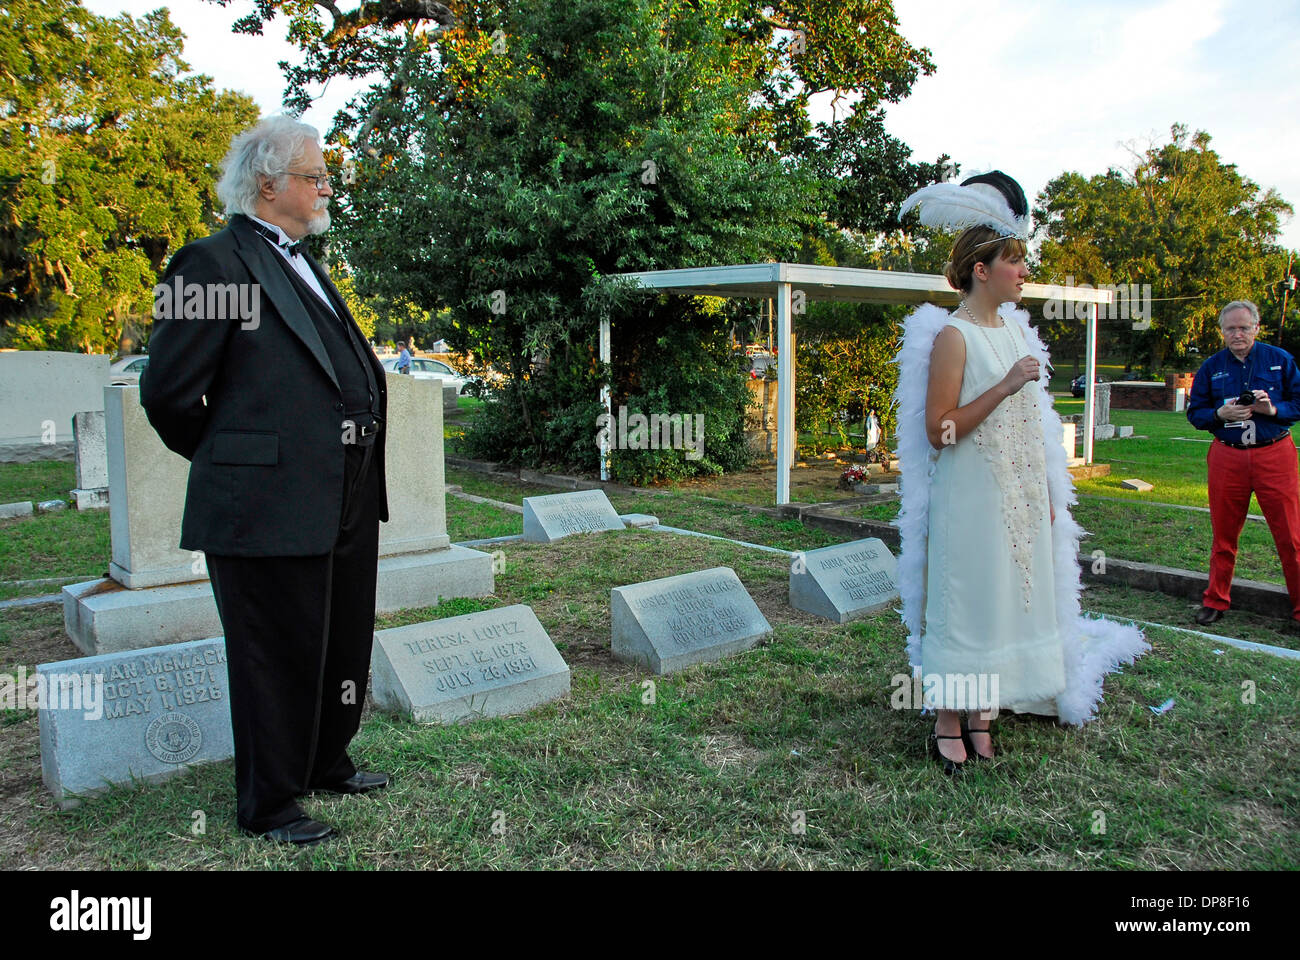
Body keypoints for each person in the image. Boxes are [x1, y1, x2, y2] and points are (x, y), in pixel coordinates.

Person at [140, 116, 391, 844]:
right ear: (268, 183)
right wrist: (235, 460)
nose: (325, 188)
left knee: (338, 635)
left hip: (344, 487)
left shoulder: (304, 261)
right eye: (315, 177)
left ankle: (324, 761)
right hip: (264, 500)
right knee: (273, 650)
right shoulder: (210, 265)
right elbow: (169, 394)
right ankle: (270, 804)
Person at [894, 171, 1148, 775]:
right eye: (1014, 261)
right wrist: (1007, 385)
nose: (1023, 272)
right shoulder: (953, 336)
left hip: (1021, 494)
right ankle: (947, 719)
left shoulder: (1013, 329)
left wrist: (1050, 492)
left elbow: (1032, 428)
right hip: (971, 495)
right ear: (981, 269)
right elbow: (940, 430)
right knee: (972, 599)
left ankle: (985, 710)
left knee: (1009, 601)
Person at [1185, 300, 1300, 626]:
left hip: (1273, 453)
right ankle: (1216, 600)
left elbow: (1298, 402)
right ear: (1221, 332)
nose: (1237, 334)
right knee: (1223, 535)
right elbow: (1196, 413)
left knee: (1291, 537)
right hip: (1228, 454)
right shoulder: (1211, 366)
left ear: (1256, 328)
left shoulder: (1280, 360)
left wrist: (1272, 410)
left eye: (1244, 328)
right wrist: (1220, 414)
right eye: (1230, 329)